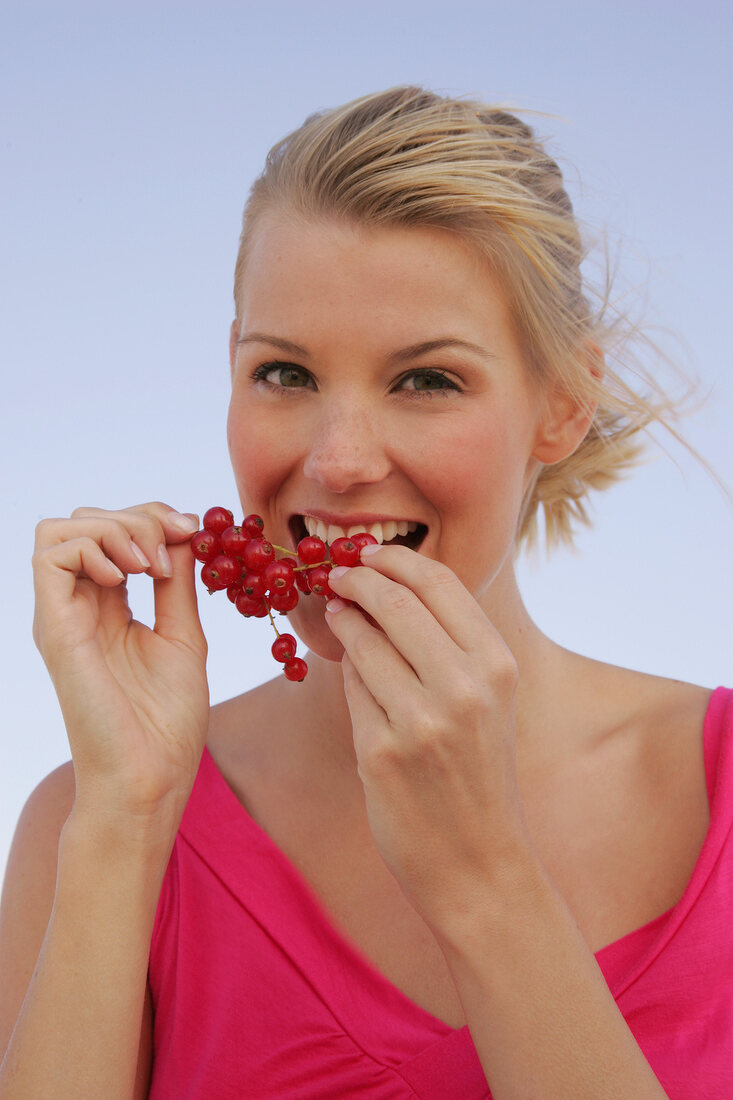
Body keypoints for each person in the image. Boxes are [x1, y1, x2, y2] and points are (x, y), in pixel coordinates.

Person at [0, 85, 729, 1099]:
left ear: (562, 405)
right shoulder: (97, 817)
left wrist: (483, 877)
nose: (337, 462)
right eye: (285, 373)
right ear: (230, 370)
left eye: (426, 380)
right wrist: (124, 816)